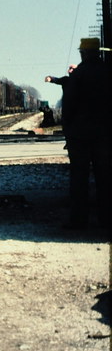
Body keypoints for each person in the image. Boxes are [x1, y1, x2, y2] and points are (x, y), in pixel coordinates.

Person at [47, 38, 112, 229]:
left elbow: (69, 106)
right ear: (98, 52)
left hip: (81, 135)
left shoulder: (79, 74)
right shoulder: (108, 72)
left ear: (83, 53)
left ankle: (79, 219)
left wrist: (69, 132)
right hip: (104, 134)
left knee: (79, 177)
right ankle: (106, 219)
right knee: (105, 177)